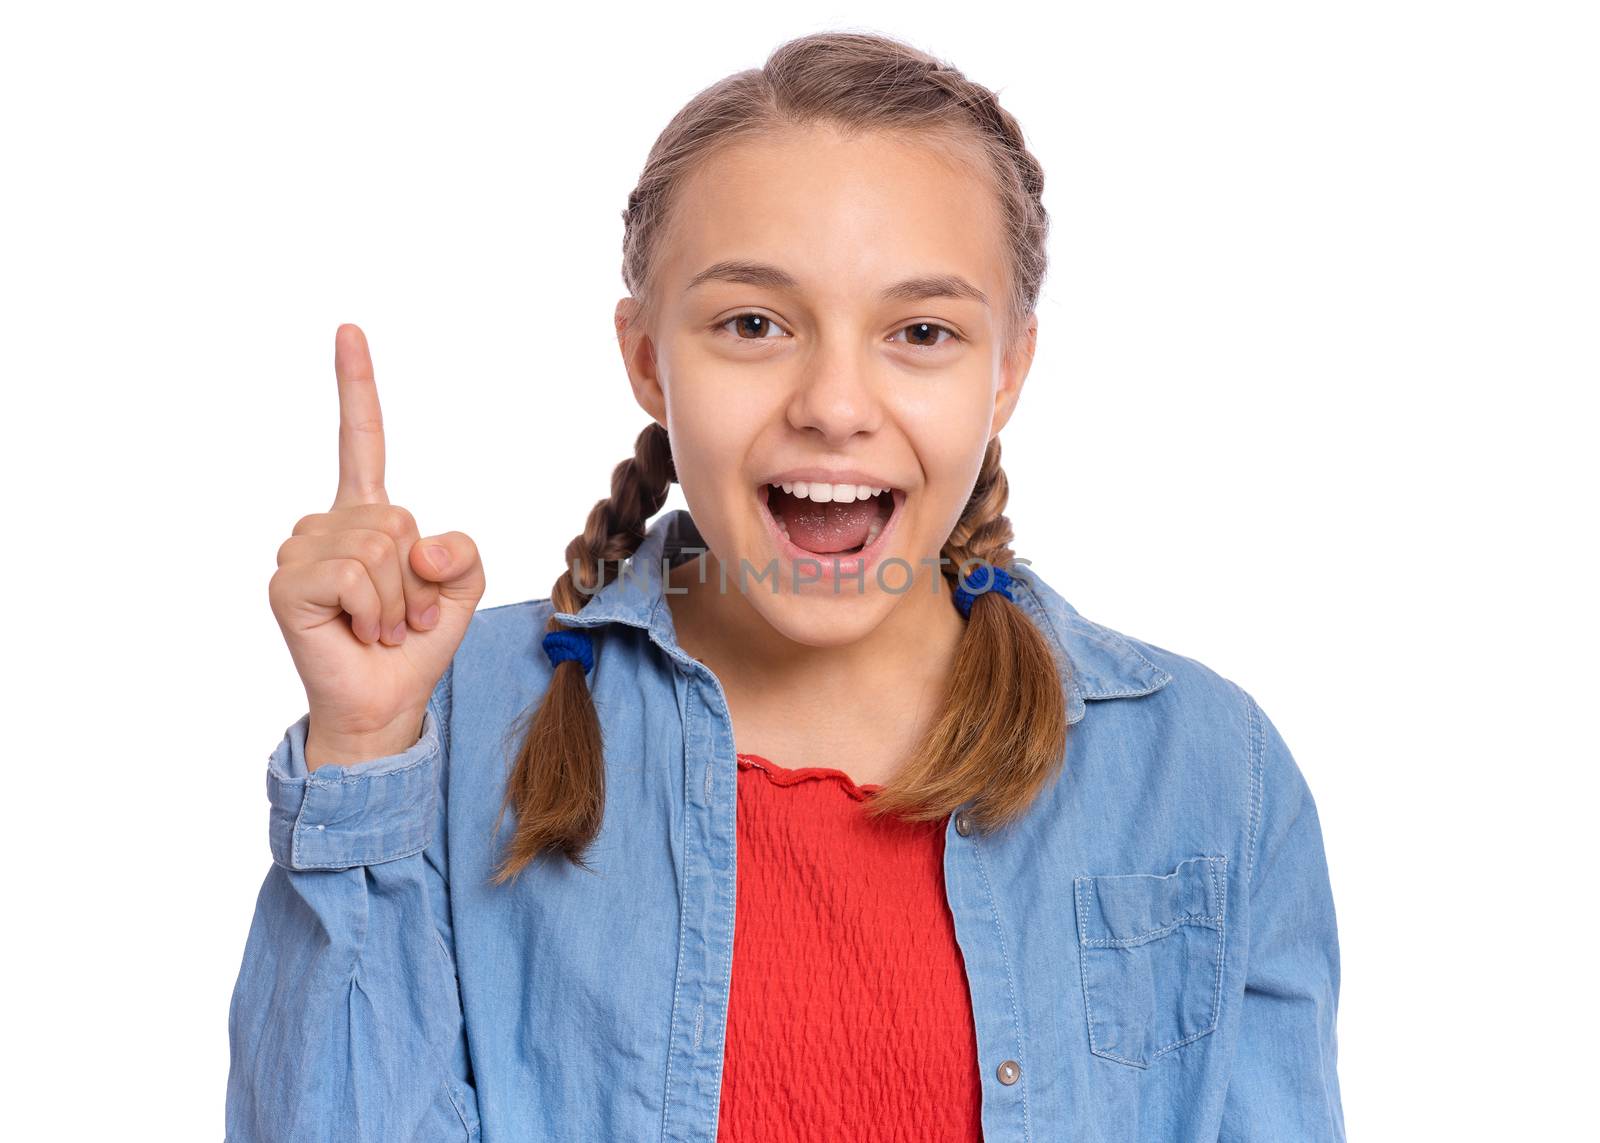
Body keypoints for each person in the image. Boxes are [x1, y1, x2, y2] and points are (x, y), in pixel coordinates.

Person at [225, 30, 1345, 1143]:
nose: (835, 403)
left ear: (1006, 370)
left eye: (920, 331)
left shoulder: (1204, 771)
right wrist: (364, 759)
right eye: (753, 324)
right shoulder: (446, 726)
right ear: (648, 357)